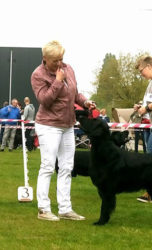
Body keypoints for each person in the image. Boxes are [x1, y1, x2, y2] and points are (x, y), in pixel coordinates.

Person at [31, 40, 95, 221]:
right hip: (48, 125)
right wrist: (58, 82)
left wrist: (85, 102)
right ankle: (43, 209)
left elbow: (75, 94)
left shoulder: (69, 68)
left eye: (61, 59)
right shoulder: (38, 74)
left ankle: (65, 208)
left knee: (67, 167)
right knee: (48, 166)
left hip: (68, 125)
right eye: (55, 60)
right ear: (45, 59)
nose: (59, 63)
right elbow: (45, 100)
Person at [136, 55, 152, 203]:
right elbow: (151, 101)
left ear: (149, 67)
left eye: (141, 70)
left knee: (151, 160)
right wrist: (141, 106)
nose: (141, 74)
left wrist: (146, 108)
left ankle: (151, 193)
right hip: (151, 124)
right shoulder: (151, 82)